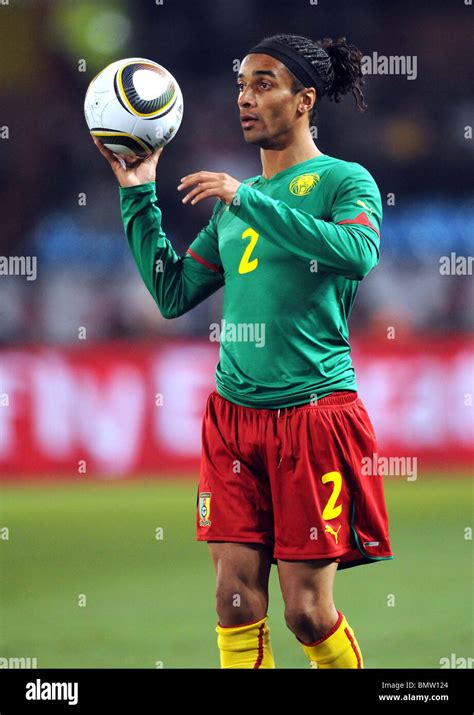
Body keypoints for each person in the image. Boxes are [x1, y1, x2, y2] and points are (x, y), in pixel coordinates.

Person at [93, 33, 393, 669]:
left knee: (307, 613)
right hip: (233, 420)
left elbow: (356, 251)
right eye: (241, 85)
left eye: (263, 85)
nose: (245, 99)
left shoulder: (344, 181)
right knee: (233, 599)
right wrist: (137, 192)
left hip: (312, 415)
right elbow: (173, 292)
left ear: (304, 99)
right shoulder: (230, 209)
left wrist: (246, 198)